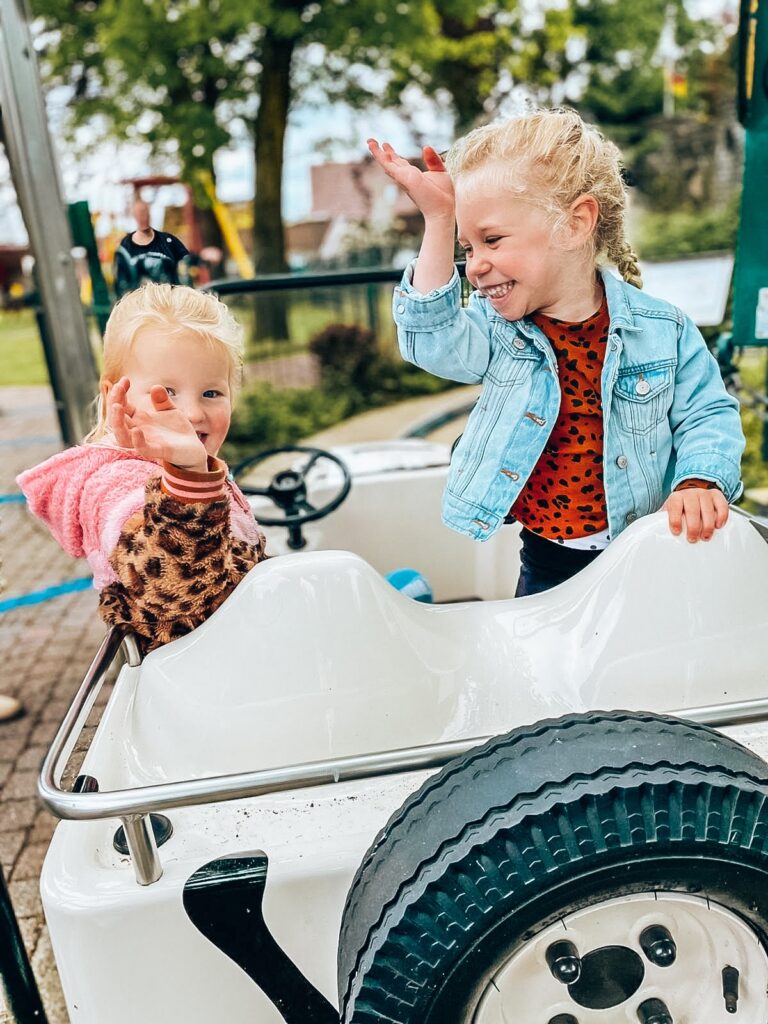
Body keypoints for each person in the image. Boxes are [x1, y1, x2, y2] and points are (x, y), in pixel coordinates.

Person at [368, 108, 745, 596]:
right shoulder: (497, 329)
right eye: (468, 248)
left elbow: (707, 415)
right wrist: (439, 221)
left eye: (492, 240)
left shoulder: (664, 330)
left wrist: (700, 481)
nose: (476, 266)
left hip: (649, 554)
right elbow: (432, 344)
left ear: (575, 223)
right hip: (546, 562)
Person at [17, 283, 267, 653]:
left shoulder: (192, 467)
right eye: (165, 394)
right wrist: (190, 478)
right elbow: (175, 589)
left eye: (211, 393)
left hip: (235, 661)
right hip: (191, 682)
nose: (194, 413)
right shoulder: (114, 485)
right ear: (114, 394)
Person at [113, 197, 190, 296]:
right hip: (142, 307)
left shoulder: (168, 241)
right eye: (140, 213)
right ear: (134, 216)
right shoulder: (125, 248)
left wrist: (203, 256)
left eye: (146, 212)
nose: (144, 217)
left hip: (171, 303)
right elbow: (121, 285)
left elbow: (187, 262)